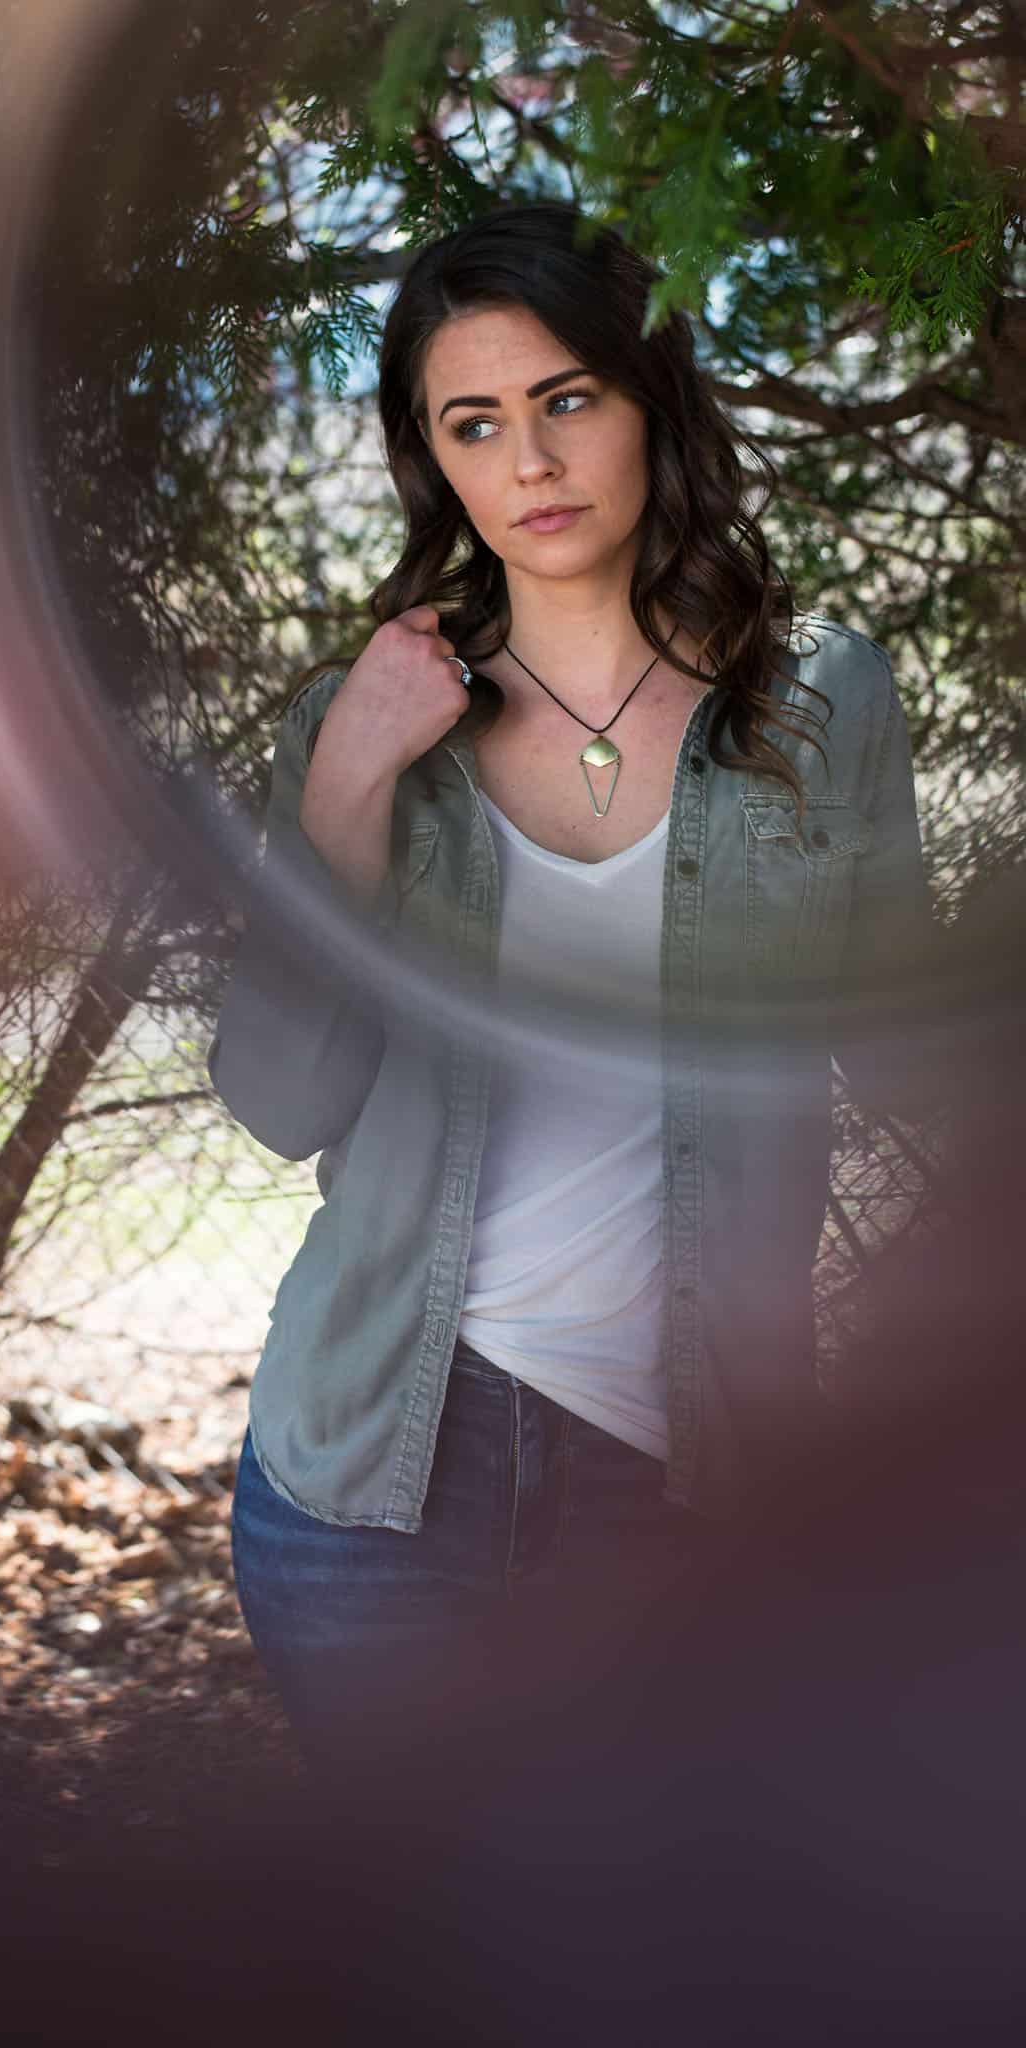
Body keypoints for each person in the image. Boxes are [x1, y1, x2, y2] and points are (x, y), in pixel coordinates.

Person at [207, 202, 930, 1767]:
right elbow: (276, 1101)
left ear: (649, 395)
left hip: (690, 1483)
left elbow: (924, 1065)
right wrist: (344, 794)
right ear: (435, 460)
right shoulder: (365, 719)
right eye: (476, 423)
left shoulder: (822, 704)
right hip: (371, 1479)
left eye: (567, 400)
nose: (528, 463)